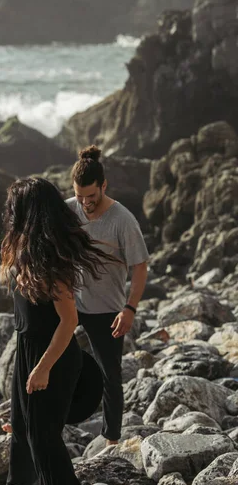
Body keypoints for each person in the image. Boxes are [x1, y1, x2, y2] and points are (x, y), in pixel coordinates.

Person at [1, 177, 118, 485]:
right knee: (21, 434)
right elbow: (26, 328)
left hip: (52, 359)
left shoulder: (52, 265)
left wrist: (42, 369)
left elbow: (69, 322)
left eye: (15, 208)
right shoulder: (26, 258)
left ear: (29, 214)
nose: (10, 214)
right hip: (27, 353)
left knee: (44, 441)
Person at [67, 145, 148, 446]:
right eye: (79, 196)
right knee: (42, 358)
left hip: (107, 310)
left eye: (91, 196)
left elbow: (140, 267)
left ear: (104, 186)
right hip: (69, 304)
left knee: (110, 377)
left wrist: (130, 309)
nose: (85, 203)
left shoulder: (123, 220)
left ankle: (112, 440)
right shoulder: (69, 210)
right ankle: (40, 426)